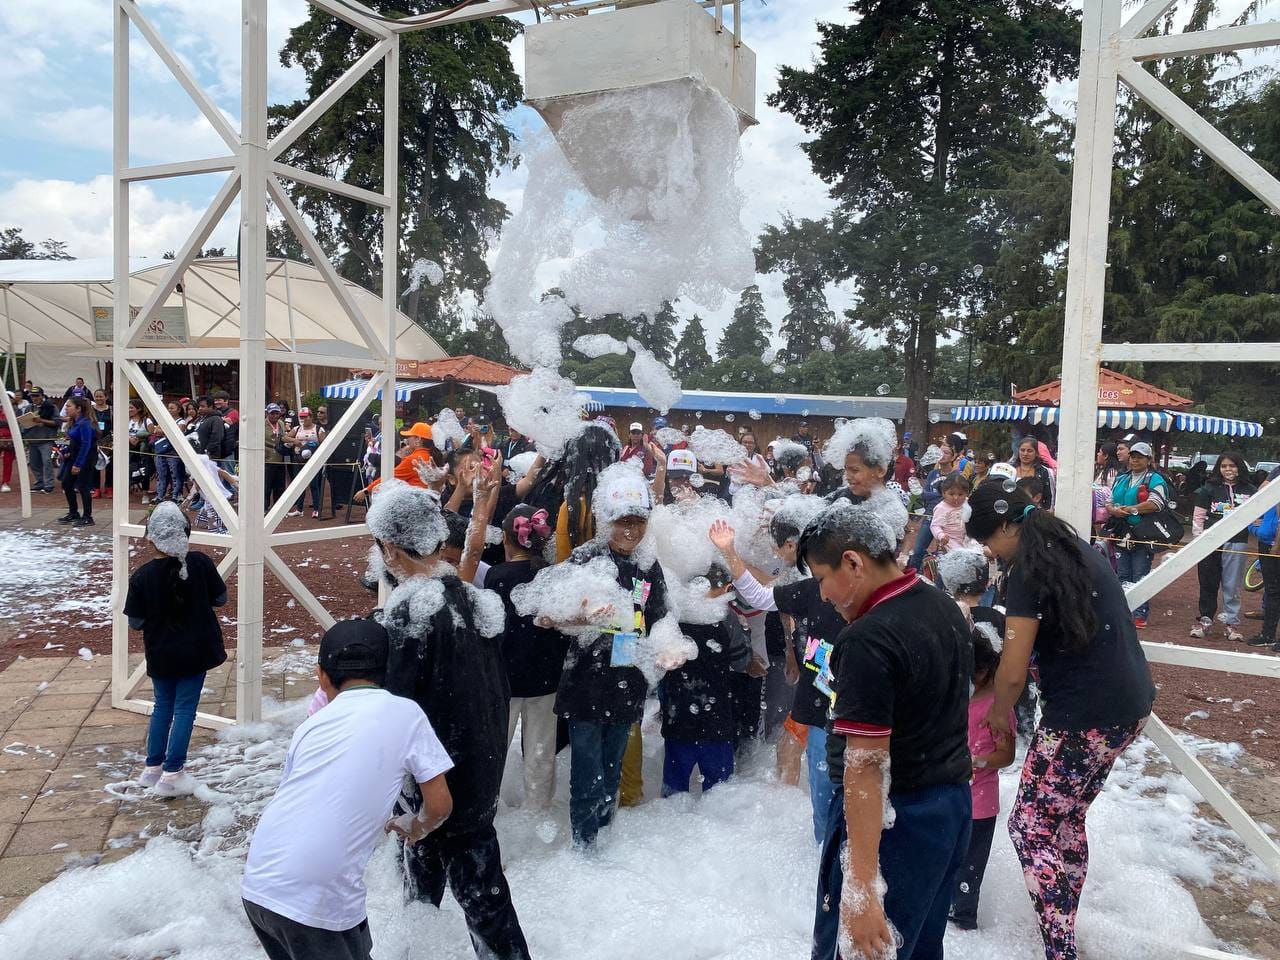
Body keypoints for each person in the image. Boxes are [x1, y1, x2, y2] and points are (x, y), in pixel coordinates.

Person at [965, 482, 1154, 960]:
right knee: (1064, 819)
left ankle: (1060, 949)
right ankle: (1063, 926)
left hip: (1082, 716)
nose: (989, 551)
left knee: (1029, 828)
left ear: (1008, 525)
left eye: (989, 540)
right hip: (1128, 706)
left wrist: (999, 715)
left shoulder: (1028, 568)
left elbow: (1012, 666)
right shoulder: (1072, 548)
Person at [799, 500, 972, 960]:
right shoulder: (942, 605)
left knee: (865, 948)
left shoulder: (868, 639)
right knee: (918, 946)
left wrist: (861, 889)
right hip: (949, 809)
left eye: (821, 578)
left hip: (896, 819)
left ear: (853, 562)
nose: (822, 596)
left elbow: (867, 765)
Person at [368, 482, 531, 960]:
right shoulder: (469, 598)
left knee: (473, 899)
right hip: (480, 768)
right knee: (473, 898)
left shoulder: (405, 615)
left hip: (436, 781)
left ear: (391, 549)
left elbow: (391, 713)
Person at [241, 619, 454, 960]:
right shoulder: (407, 713)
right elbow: (440, 805)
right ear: (388, 671)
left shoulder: (309, 728)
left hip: (260, 883)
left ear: (321, 676)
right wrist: (416, 826)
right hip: (314, 896)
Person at [539, 462, 687, 846]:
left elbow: (659, 618)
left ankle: (602, 843)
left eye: (637, 522)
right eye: (622, 520)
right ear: (606, 519)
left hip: (628, 683)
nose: (629, 530)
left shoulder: (647, 566)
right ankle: (584, 847)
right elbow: (543, 615)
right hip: (585, 685)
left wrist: (669, 647)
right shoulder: (586, 558)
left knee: (612, 768)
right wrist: (579, 614)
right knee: (587, 774)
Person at [709, 496, 842, 844]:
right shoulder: (810, 589)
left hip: (847, 710)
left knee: (834, 792)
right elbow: (761, 596)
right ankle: (812, 841)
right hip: (817, 700)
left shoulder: (859, 597)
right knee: (819, 792)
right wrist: (729, 552)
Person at [124, 502, 228, 795]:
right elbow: (220, 599)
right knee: (184, 710)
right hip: (196, 650)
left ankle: (153, 767)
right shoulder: (200, 563)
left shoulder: (142, 575)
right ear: (186, 534)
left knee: (162, 707)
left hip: (161, 652)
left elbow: (136, 621)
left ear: (150, 538)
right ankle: (173, 772)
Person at [484, 504, 567, 810]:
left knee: (495, 748)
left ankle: (488, 805)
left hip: (504, 679)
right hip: (546, 677)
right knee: (541, 750)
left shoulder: (496, 575)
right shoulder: (552, 575)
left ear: (506, 539)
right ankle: (538, 810)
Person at [658, 565, 747, 796]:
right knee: (719, 795)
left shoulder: (673, 617)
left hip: (678, 719)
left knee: (673, 794)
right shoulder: (728, 618)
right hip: (718, 721)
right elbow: (741, 661)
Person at [949, 628, 1015, 931]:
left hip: (980, 804)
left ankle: (964, 922)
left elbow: (1007, 754)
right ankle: (947, 915)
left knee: (968, 871)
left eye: (971, 675)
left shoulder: (997, 708)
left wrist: (979, 761)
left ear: (986, 669)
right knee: (947, 863)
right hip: (951, 796)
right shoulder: (962, 697)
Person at [1190, 451, 1256, 642]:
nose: (1228, 469)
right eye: (1224, 466)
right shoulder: (1208, 489)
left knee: (1231, 585)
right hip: (1210, 543)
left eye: (1232, 466)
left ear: (1240, 467)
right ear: (1219, 469)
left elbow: (1257, 515)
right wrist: (1199, 540)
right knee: (1208, 583)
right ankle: (1205, 620)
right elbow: (1198, 517)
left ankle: (1232, 623)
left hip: (1237, 542)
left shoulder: (1250, 490)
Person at [1105, 441, 1171, 629]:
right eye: (1133, 456)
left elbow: (1157, 503)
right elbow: (1109, 500)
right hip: (1120, 532)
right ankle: (1124, 611)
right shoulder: (1122, 478)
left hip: (1143, 534)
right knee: (1122, 574)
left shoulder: (1155, 479)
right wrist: (1113, 510)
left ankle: (1140, 614)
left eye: (1140, 457)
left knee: (1140, 574)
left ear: (1148, 460)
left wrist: (1131, 509)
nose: (1135, 460)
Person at [1247, 472, 1279, 651]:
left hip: (1274, 545)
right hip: (1267, 543)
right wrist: (1256, 525)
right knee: (1272, 590)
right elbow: (1261, 493)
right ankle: (1267, 634)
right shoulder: (1277, 471)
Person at [907, 442, 953, 570]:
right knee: (917, 551)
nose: (942, 455)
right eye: (940, 452)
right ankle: (914, 577)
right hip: (930, 516)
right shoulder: (933, 474)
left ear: (953, 457)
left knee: (948, 553)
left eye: (946, 452)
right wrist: (941, 495)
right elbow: (924, 495)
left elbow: (954, 499)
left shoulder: (956, 475)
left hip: (948, 519)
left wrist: (936, 494)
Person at [57, 397, 99, 528]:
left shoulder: (85, 423)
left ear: (78, 408)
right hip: (74, 456)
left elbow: (86, 444)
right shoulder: (74, 422)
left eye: (69, 406)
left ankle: (88, 516)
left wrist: (78, 464)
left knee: (83, 486)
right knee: (66, 483)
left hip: (86, 458)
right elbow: (74, 441)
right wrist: (66, 451)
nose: (66, 408)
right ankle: (73, 512)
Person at [285, 406, 326, 519]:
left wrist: (313, 447)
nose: (303, 419)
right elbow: (285, 438)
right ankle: (299, 509)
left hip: (313, 461)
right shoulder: (297, 428)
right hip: (298, 460)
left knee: (314, 485)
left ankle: (317, 509)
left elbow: (324, 444)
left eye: (305, 417)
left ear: (311, 416)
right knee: (298, 485)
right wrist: (295, 441)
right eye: (301, 417)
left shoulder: (318, 429)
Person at [22, 386, 58, 494]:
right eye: (32, 396)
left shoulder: (51, 407)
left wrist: (42, 420)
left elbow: (57, 422)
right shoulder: (29, 408)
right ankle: (39, 482)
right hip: (32, 439)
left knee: (47, 461)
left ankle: (49, 484)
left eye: (37, 395)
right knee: (34, 463)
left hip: (46, 439)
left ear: (42, 396)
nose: (34, 398)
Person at [931, 472, 976, 553]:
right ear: (944, 493)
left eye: (960, 494)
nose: (956, 497)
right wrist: (941, 536)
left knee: (977, 552)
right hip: (949, 540)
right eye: (951, 494)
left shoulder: (967, 503)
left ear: (967, 493)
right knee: (960, 555)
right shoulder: (941, 508)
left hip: (966, 538)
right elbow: (935, 526)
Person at [1013, 436, 1055, 510]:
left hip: (1036, 514)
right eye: (1022, 450)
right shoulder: (1010, 470)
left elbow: (1050, 498)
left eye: (1029, 451)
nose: (1025, 454)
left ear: (1037, 453)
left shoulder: (1045, 472)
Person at [264, 403, 289, 510]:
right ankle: (264, 507)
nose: (275, 415)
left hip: (280, 457)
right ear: (267, 413)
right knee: (266, 484)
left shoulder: (281, 423)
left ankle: (278, 508)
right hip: (267, 458)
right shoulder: (261, 424)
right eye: (272, 413)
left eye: (277, 413)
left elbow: (284, 437)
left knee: (279, 484)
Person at [213, 390, 239, 471]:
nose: (216, 402)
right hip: (216, 448)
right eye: (215, 400)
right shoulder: (215, 412)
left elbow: (228, 423)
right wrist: (222, 419)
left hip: (228, 448)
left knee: (229, 473)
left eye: (219, 400)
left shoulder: (233, 412)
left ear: (226, 401)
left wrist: (219, 420)